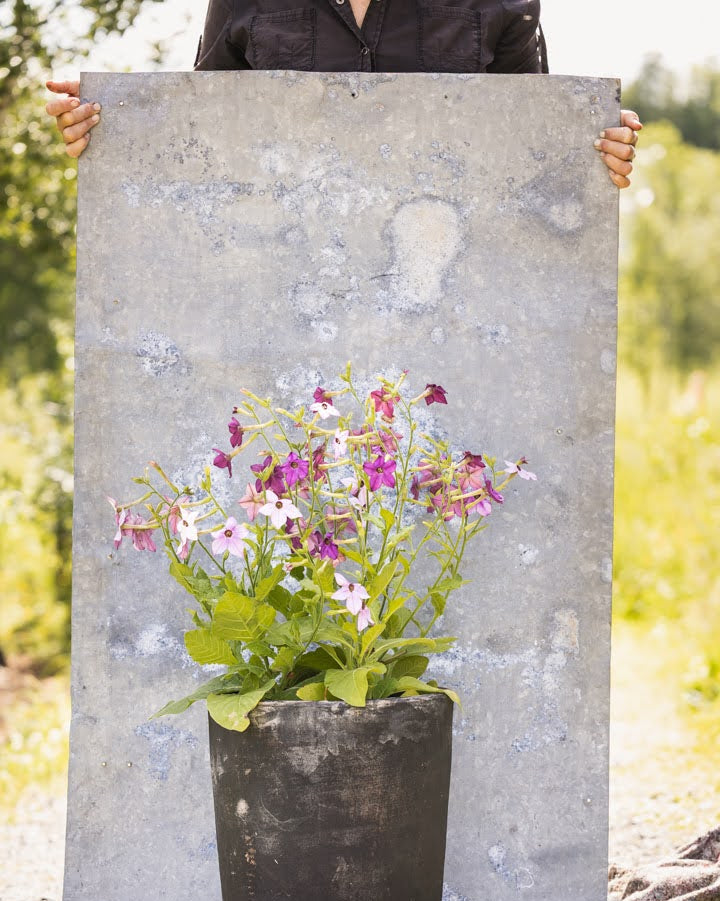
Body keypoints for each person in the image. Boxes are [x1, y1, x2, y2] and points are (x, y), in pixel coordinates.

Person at [45, 0, 641, 187]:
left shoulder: (501, 0)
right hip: (282, 311)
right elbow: (204, 152)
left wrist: (595, 152)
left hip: (452, 313)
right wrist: (108, 127)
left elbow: (531, 165)